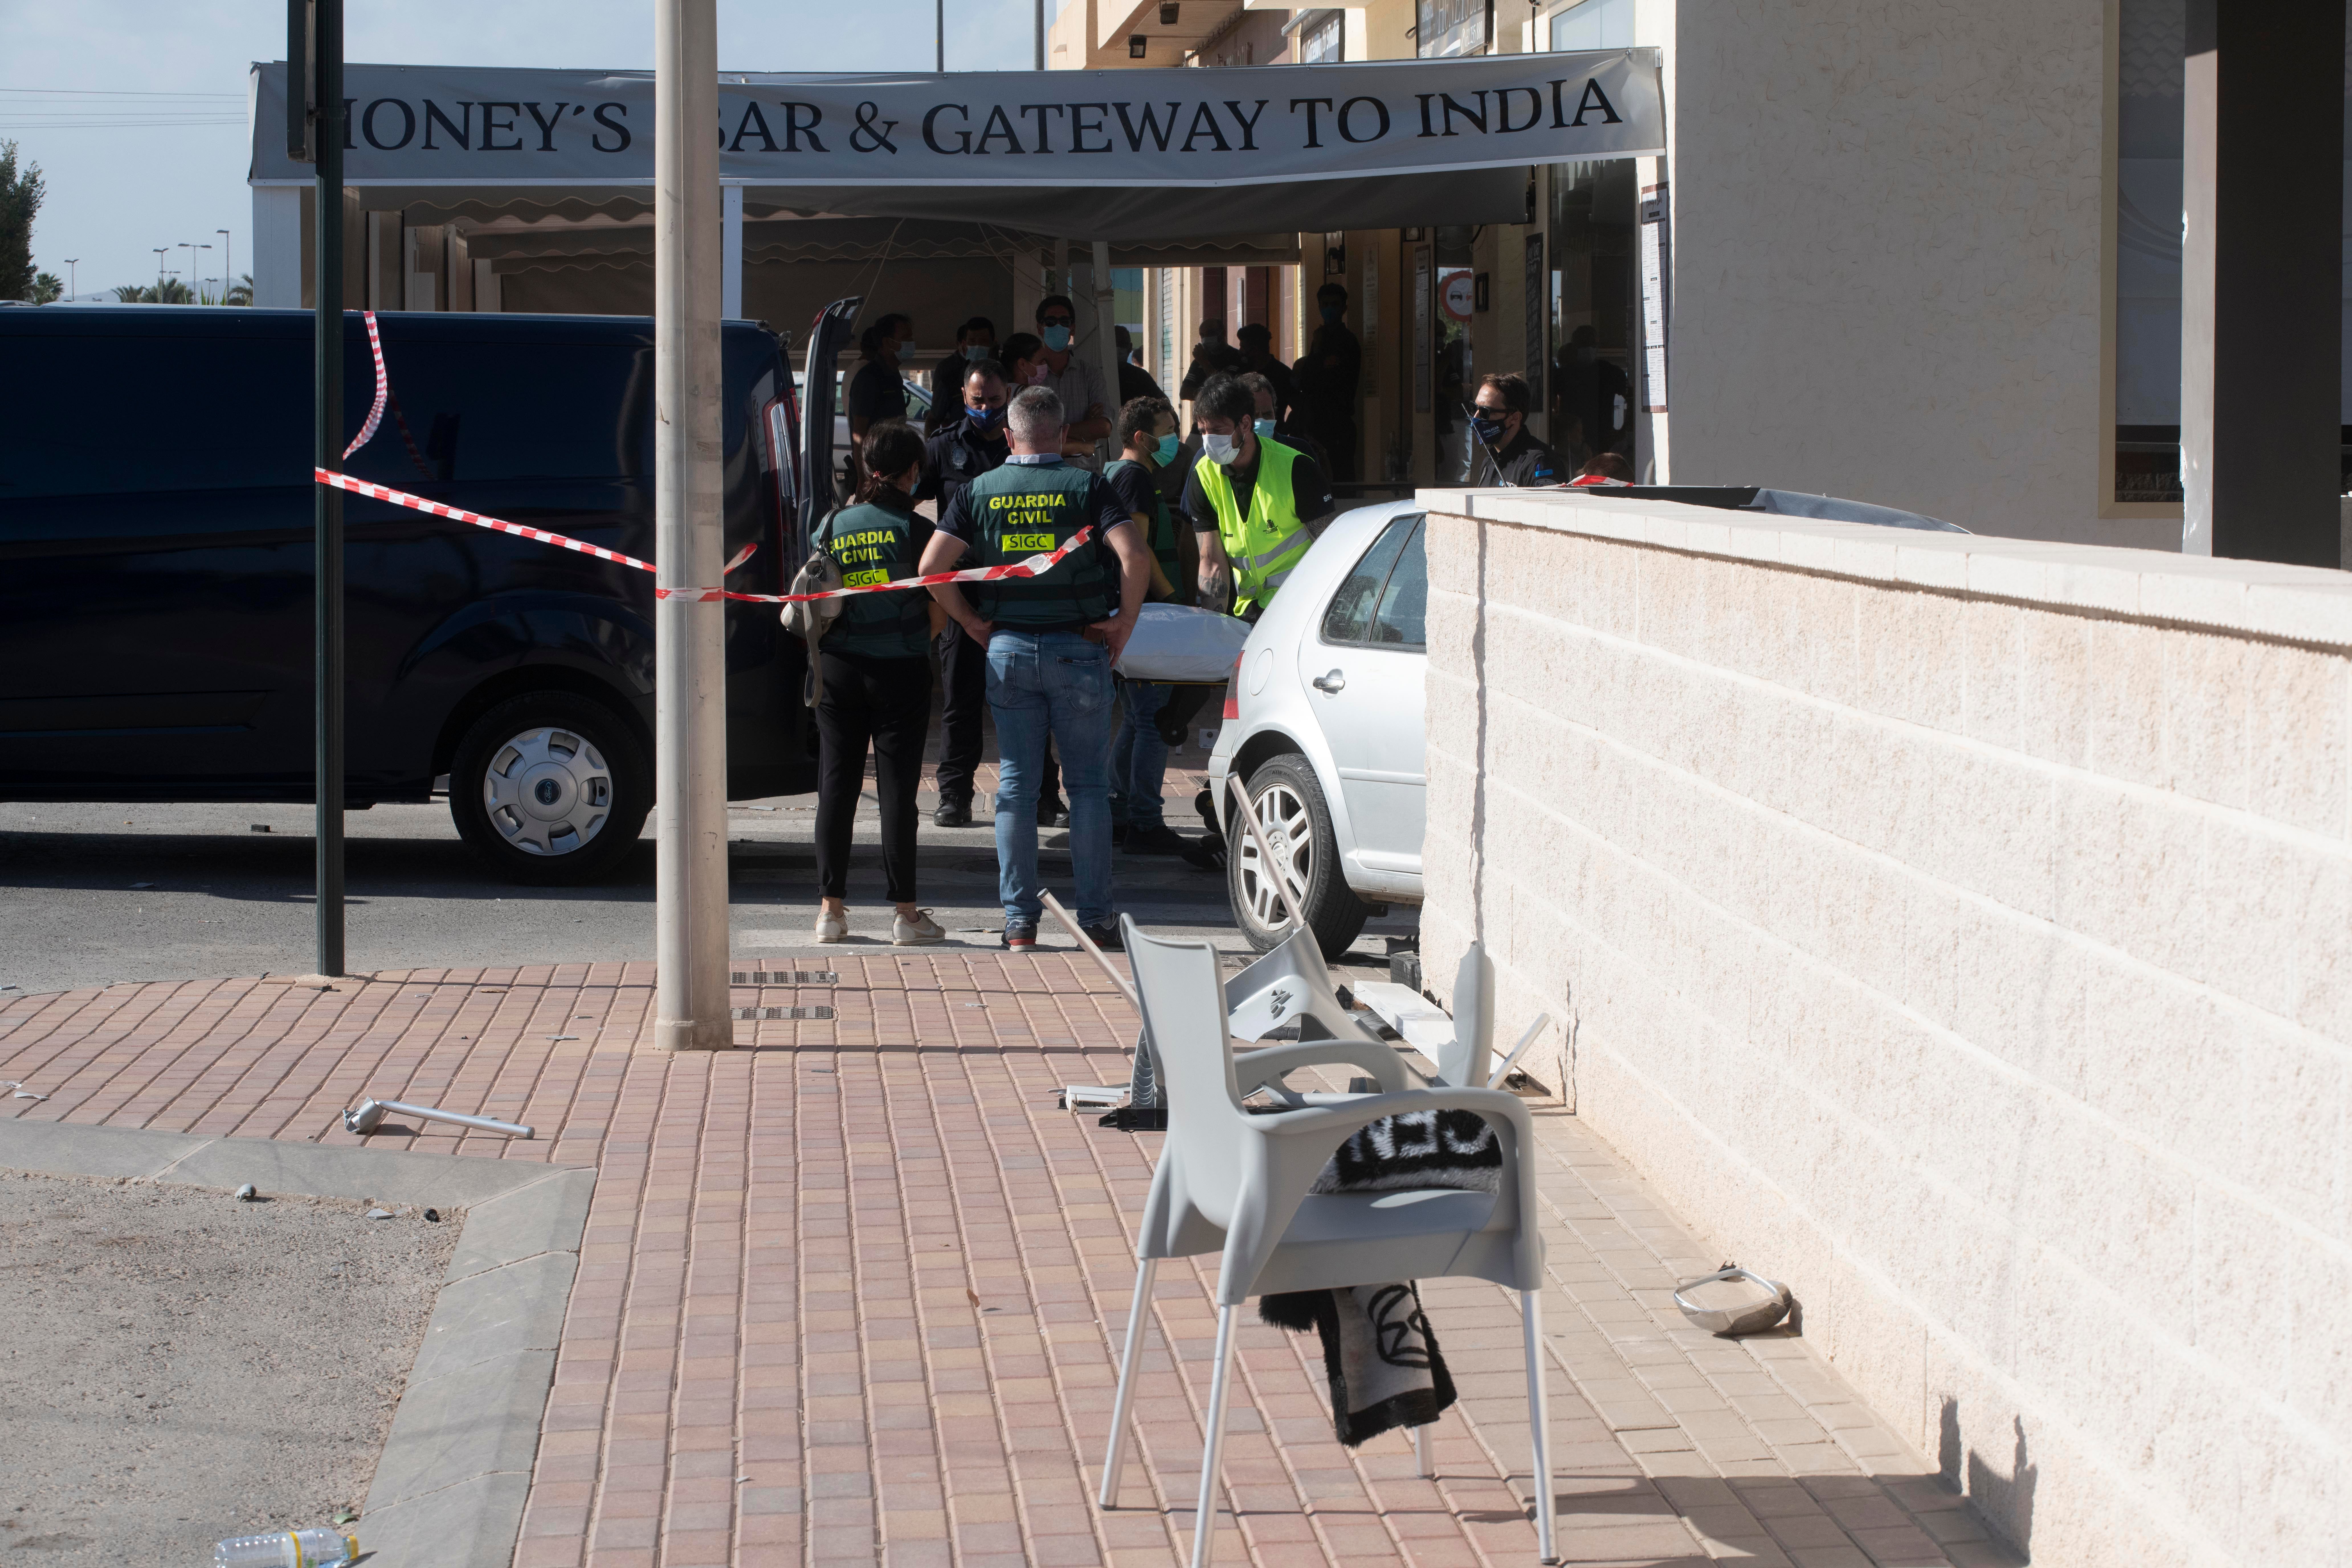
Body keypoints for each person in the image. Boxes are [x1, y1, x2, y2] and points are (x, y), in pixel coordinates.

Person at [918, 385, 1151, 951]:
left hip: (1009, 650)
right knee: (1088, 788)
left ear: (1009, 435)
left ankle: (1020, 922)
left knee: (1017, 788)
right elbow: (1134, 555)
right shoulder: (1088, 486)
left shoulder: (979, 489)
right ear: (1063, 434)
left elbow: (930, 567)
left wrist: (970, 622)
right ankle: (1095, 919)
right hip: (1080, 648)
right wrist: (1124, 621)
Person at [809, 423, 949, 947]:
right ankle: (906, 915)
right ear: (913, 472)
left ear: (868, 467)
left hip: (838, 669)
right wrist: (907, 641)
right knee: (897, 793)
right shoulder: (918, 531)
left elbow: (818, 595)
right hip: (900, 672)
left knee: (836, 785)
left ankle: (830, 911)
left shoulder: (831, 524)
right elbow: (938, 614)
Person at [916, 361, 1012, 828]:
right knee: (960, 699)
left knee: (1029, 699)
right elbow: (908, 500)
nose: (987, 408)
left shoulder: (1022, 442)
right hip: (962, 591)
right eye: (978, 400)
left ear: (1008, 396)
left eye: (995, 400)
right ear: (963, 396)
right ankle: (954, 795)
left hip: (1017, 589)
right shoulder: (943, 446)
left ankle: (1042, 795)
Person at [1103, 396, 1193, 856]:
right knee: (1154, 721)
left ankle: (1120, 811)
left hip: (1132, 614)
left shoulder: (1112, 474)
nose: (1175, 438)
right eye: (1167, 430)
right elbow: (1136, 552)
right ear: (1141, 437)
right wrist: (1172, 598)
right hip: (1147, 615)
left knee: (1139, 719)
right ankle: (1144, 820)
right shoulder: (1135, 478)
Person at [1183, 373, 1335, 621]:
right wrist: (1212, 627)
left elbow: (1330, 550)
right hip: (1249, 611)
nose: (1210, 441)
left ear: (1245, 424)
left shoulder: (1297, 468)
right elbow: (1211, 564)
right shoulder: (1203, 475)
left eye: (1218, 431)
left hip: (1302, 607)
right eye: (1203, 432)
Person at [1031, 295, 1112, 464]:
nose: (1058, 326)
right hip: (1042, 472)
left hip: (1084, 472)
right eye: (1051, 322)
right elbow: (1030, 434)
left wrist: (1051, 435)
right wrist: (1086, 426)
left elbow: (1104, 428)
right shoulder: (1031, 377)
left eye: (1064, 322)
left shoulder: (1091, 375)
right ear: (1040, 328)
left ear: (1073, 328)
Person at [1295, 282, 1361, 481]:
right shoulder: (1319, 339)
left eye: (1335, 304)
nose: (1329, 309)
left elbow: (1331, 382)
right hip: (1316, 425)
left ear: (1344, 308)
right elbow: (1306, 382)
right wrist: (1317, 356)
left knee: (1340, 479)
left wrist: (1317, 362)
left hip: (1338, 425)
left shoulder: (1347, 341)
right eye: (1325, 305)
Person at [1467, 372, 1561, 487]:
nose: (1476, 417)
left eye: (1485, 412)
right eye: (1474, 408)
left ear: (1515, 418)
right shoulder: (1490, 460)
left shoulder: (1539, 462)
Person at [1239, 371, 1327, 476]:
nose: (1261, 421)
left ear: (1275, 413)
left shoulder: (1300, 451)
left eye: (1267, 415)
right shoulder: (1230, 458)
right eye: (1254, 416)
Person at [846, 313, 914, 449]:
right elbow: (859, 434)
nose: (911, 343)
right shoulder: (868, 378)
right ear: (888, 342)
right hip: (877, 460)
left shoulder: (894, 375)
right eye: (906, 338)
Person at [926, 317, 999, 432]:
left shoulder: (1005, 378)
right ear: (965, 345)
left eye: (984, 341)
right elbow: (933, 420)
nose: (978, 346)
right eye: (973, 342)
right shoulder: (951, 381)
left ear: (993, 344)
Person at [1233, 322, 1296, 426]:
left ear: (1256, 350)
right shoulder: (1241, 372)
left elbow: (1298, 408)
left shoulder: (1283, 374)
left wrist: (1285, 431)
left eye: (1243, 348)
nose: (1240, 352)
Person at [1179, 318, 1247, 402]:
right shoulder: (1198, 361)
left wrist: (1205, 363)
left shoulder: (1237, 357)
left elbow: (1226, 390)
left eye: (1210, 333)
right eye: (1202, 335)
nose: (1206, 338)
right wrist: (1213, 394)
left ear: (1223, 333)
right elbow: (1184, 393)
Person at [1112, 324, 1167, 407]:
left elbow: (1164, 402)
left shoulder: (1140, 376)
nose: (1118, 348)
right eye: (1114, 345)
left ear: (1130, 348)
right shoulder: (1098, 377)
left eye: (1122, 344)